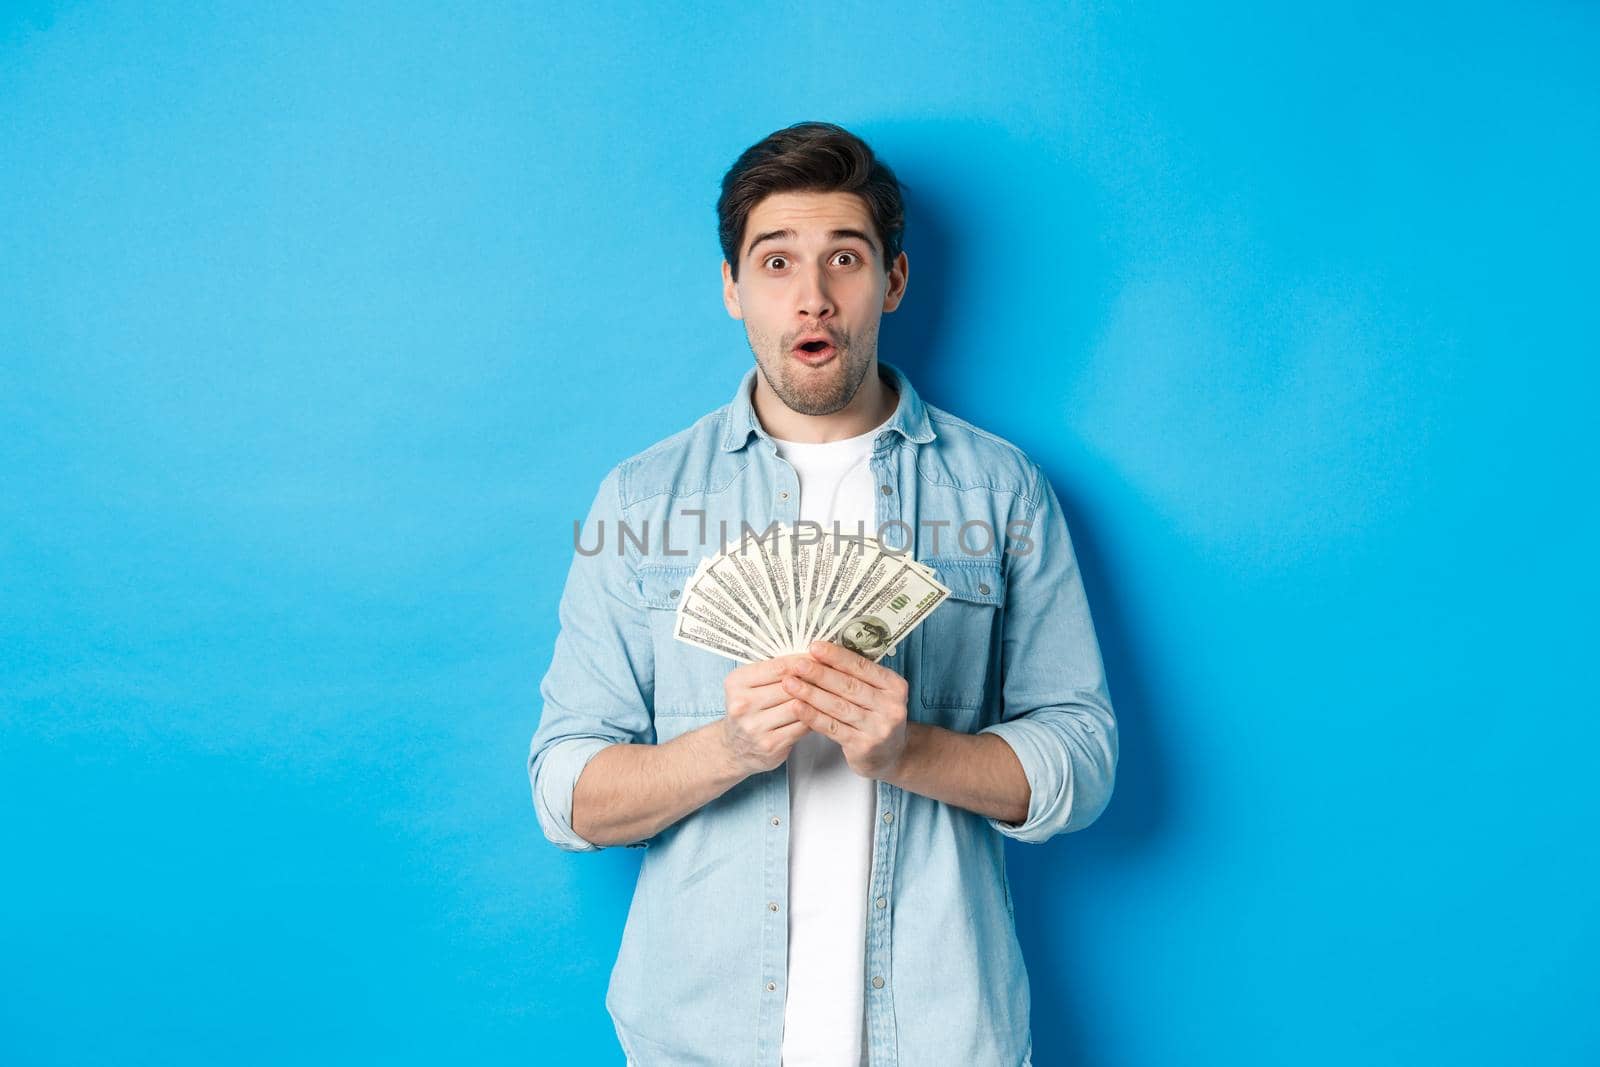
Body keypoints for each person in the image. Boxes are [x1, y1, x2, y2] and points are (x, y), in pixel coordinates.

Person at [527, 121, 1118, 1067]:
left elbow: (1082, 758)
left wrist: (910, 747)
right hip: (697, 1041)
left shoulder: (1001, 491)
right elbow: (567, 792)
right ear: (732, 288)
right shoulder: (640, 502)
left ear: (892, 280)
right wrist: (727, 748)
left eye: (844, 258)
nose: (812, 298)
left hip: (941, 1034)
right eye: (775, 262)